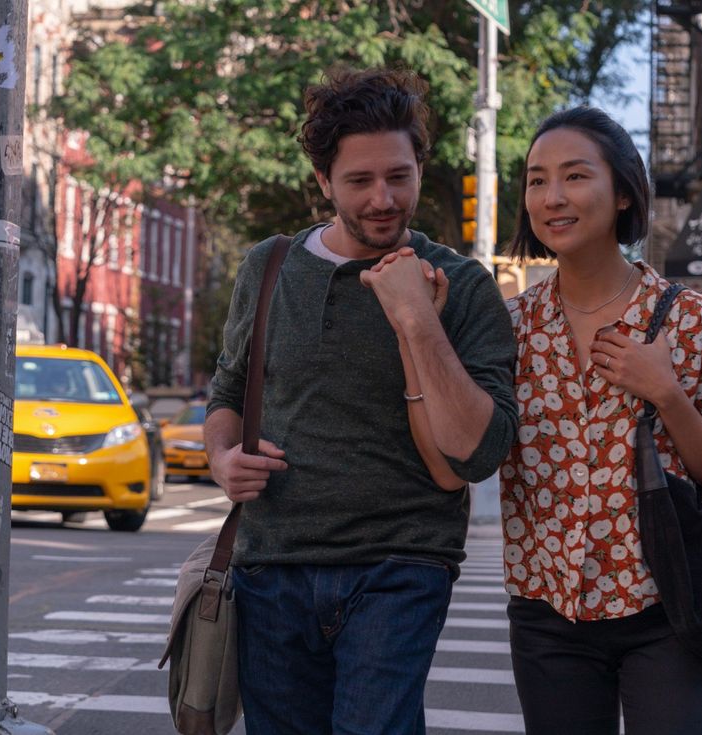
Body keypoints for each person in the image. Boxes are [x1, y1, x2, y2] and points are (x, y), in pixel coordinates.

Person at [203, 67, 518, 735]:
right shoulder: (270, 267)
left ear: (419, 168)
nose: (383, 198)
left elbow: (479, 451)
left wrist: (417, 319)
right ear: (323, 182)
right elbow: (229, 387)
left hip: (400, 565)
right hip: (272, 564)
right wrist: (222, 456)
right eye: (359, 180)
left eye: (398, 176)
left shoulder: (462, 284)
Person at [499, 107, 702, 734]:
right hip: (547, 610)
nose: (552, 197)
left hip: (668, 609)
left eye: (575, 176)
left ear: (622, 194)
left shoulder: (693, 320)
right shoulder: (510, 329)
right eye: (536, 180)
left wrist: (667, 393)